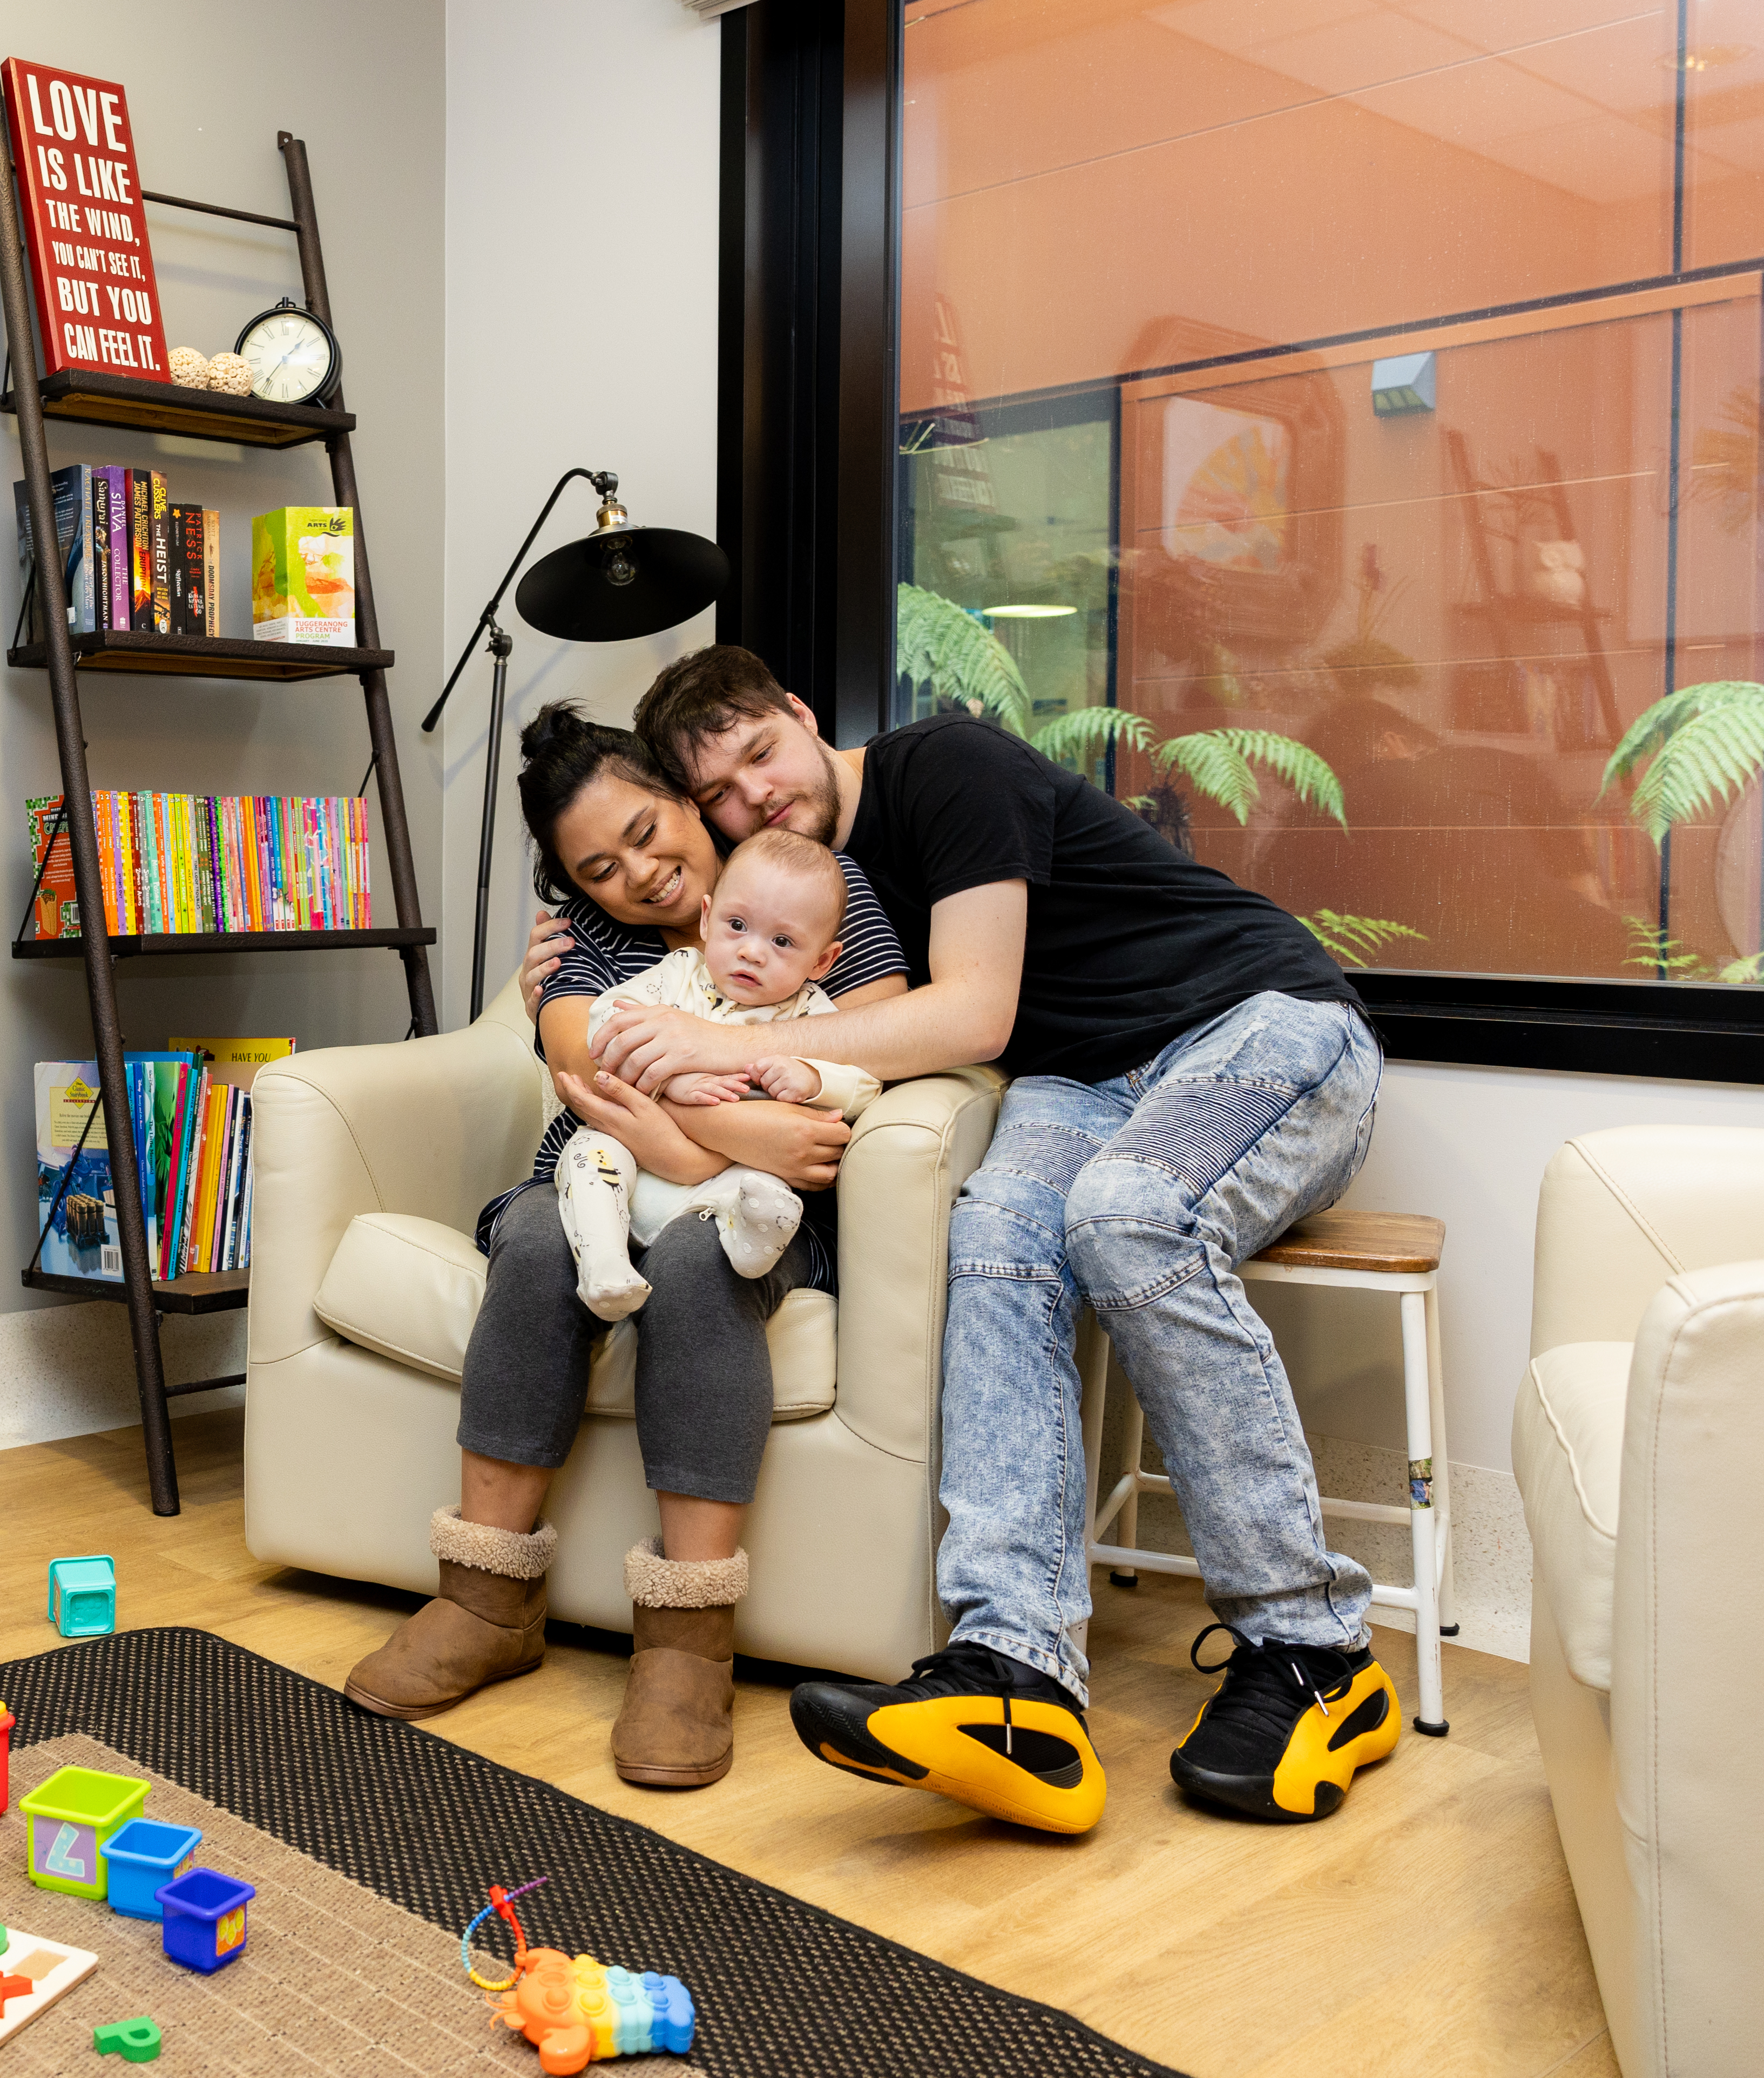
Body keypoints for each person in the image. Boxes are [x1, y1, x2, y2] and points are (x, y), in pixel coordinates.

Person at [567, 644, 1390, 1833]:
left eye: (760, 753)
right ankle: (1019, 1672)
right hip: (1077, 1081)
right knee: (995, 1236)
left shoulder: (945, 768)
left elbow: (973, 1009)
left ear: (802, 716)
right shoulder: (809, 888)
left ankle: (1313, 1650)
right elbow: (689, 927)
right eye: (723, 794)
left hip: (1252, 1025)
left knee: (1123, 1217)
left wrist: (729, 1056)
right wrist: (565, 942)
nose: (755, 796)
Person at [342, 706, 908, 1788]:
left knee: (700, 1262)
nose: (641, 876)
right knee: (541, 1238)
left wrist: (688, 1148)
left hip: (755, 1210)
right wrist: (707, 1132)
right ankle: (483, 1598)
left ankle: (685, 1642)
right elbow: (580, 1071)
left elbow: (852, 1073)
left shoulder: (814, 887)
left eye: (650, 832)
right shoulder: (591, 942)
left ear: (689, 799)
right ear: (574, 887)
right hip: (595, 1176)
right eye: (600, 868)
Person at [556, 828, 881, 1318]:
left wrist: (814, 1079)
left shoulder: (812, 1014)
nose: (752, 951)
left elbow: (866, 1083)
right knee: (587, 1154)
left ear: (822, 960)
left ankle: (751, 1242)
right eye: (737, 925)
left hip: (725, 1179)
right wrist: (673, 1081)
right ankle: (604, 1264)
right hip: (635, 1166)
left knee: (761, 1188)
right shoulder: (679, 973)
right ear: (707, 919)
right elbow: (606, 1022)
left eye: (783, 940)